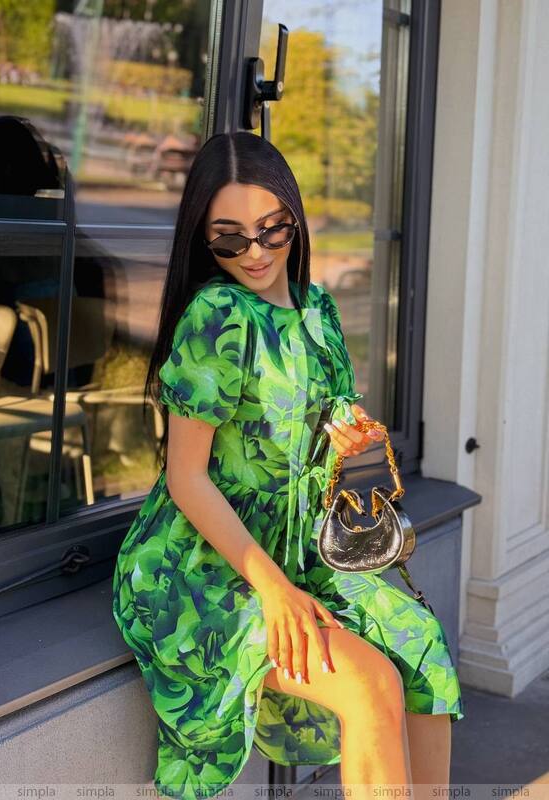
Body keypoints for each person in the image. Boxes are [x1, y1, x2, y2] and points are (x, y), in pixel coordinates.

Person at [112, 131, 464, 800]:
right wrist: (274, 592)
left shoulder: (319, 310)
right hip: (206, 562)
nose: (255, 251)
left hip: (303, 549)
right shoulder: (217, 316)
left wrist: (355, 451)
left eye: (272, 229)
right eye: (230, 238)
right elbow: (186, 478)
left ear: (294, 219)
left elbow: (335, 447)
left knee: (422, 650)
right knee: (367, 682)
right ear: (203, 241)